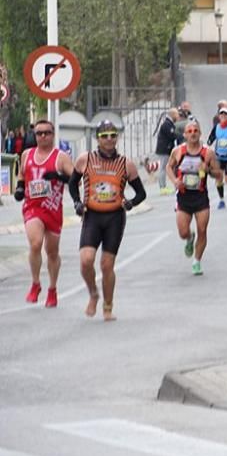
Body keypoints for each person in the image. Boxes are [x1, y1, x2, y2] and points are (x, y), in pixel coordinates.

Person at [67, 120, 146, 321]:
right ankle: (93, 293)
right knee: (86, 261)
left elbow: (141, 193)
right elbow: (72, 183)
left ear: (117, 138)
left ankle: (108, 307)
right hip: (92, 215)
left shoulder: (126, 164)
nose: (109, 139)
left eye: (112, 135)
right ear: (97, 139)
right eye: (104, 136)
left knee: (106, 265)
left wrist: (130, 203)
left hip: (114, 218)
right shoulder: (85, 159)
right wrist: (77, 202)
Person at [13, 119, 74, 307]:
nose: (42, 137)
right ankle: (35, 283)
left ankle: (52, 289)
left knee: (52, 252)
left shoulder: (60, 157)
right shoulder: (26, 154)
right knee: (35, 243)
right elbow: (22, 174)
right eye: (39, 133)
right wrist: (20, 188)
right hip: (32, 206)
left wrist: (58, 176)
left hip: (53, 208)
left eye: (46, 133)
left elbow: (75, 179)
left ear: (53, 135)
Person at [167, 119, 221, 275]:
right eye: (189, 131)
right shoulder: (178, 151)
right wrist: (175, 181)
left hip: (200, 197)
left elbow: (218, 174)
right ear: (185, 135)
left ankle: (197, 261)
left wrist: (208, 170)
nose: (193, 134)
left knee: (202, 230)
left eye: (195, 131)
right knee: (183, 232)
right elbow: (168, 167)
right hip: (183, 197)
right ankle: (190, 239)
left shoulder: (208, 153)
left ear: (200, 133)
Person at [155, 109, 180, 194]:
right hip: (164, 150)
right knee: (163, 168)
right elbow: (172, 135)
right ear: (172, 114)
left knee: (166, 167)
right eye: (176, 114)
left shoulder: (170, 123)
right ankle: (162, 187)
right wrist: (179, 135)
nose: (178, 116)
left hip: (167, 149)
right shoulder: (167, 124)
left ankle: (166, 186)